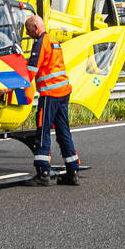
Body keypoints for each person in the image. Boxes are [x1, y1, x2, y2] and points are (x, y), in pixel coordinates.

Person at [23, 14, 80, 186]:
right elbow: (48, 64)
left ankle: (43, 173)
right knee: (64, 132)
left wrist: (12, 86)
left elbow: (31, 70)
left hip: (50, 94)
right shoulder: (54, 42)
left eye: (28, 30)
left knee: (43, 132)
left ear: (35, 27)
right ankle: (73, 172)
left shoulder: (40, 43)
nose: (28, 33)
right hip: (63, 92)